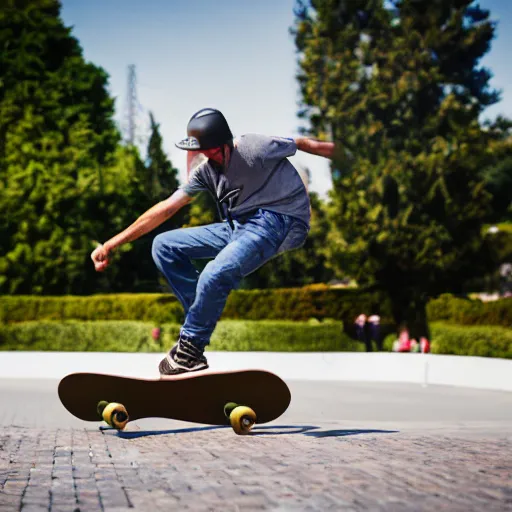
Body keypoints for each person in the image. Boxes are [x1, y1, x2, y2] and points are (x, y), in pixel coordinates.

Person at [91, 108, 335, 375]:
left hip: (282, 219)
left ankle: (190, 349)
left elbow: (301, 143)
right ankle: (199, 320)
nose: (206, 157)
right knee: (164, 246)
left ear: (225, 144)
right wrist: (111, 243)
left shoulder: (254, 147)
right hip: (240, 226)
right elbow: (166, 208)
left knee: (214, 272)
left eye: (211, 151)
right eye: (199, 152)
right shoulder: (204, 172)